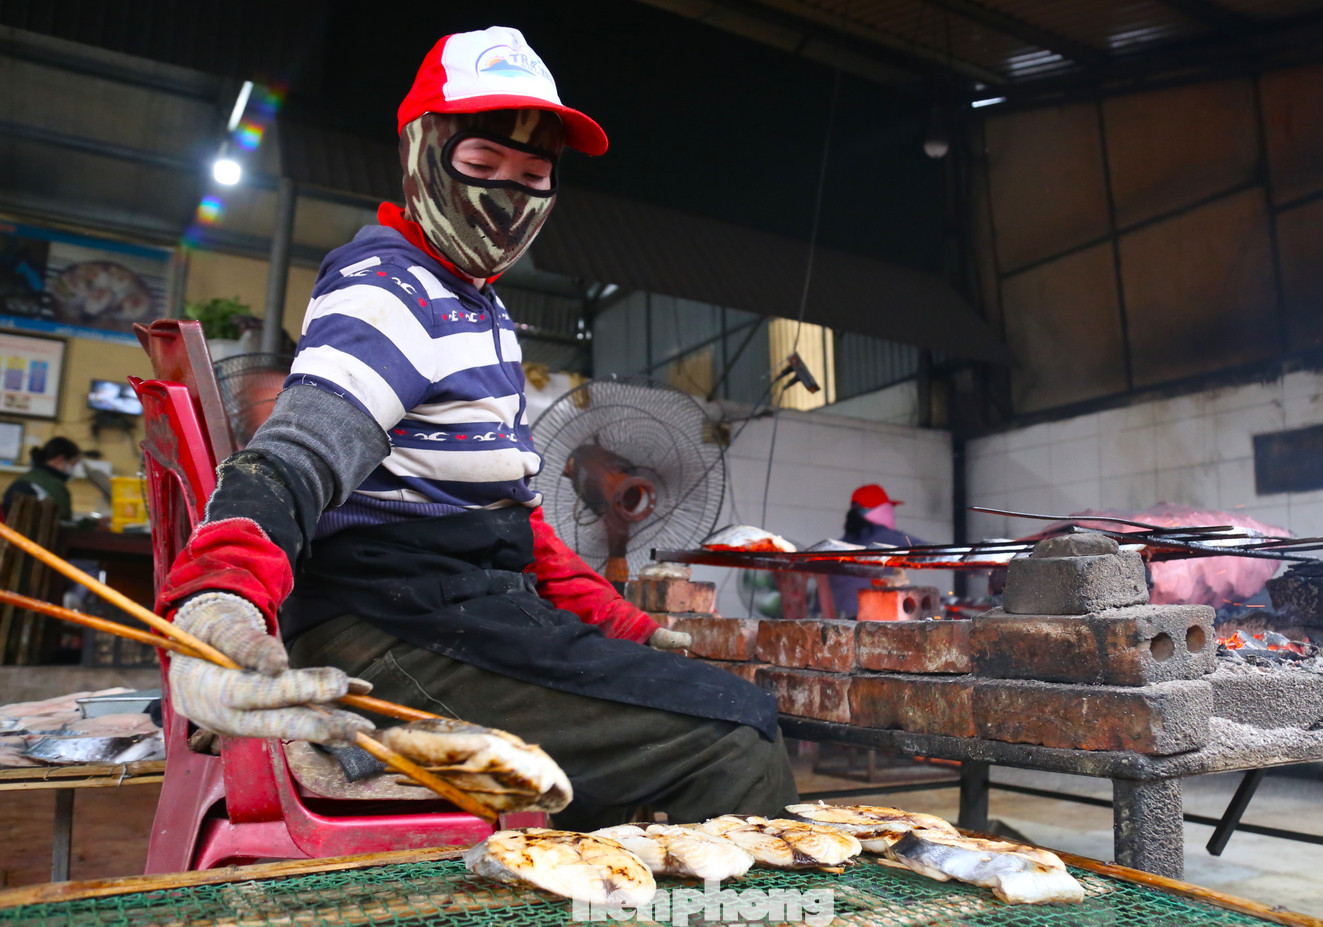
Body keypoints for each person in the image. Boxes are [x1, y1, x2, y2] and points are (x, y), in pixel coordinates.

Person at [156, 26, 797, 830]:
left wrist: (625, 625)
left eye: (533, 176)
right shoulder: (390, 287)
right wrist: (217, 610)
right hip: (390, 627)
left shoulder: (477, 305)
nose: (508, 196)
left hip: (465, 612)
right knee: (734, 739)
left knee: (684, 707)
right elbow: (295, 458)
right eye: (482, 167)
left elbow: (511, 519)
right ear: (423, 152)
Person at [827, 483, 932, 617]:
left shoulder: (840, 544)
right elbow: (934, 552)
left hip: (834, 620)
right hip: (866, 620)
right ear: (883, 511)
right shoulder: (889, 538)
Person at [1, 436, 84, 522]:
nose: (73, 469)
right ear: (59, 459)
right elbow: (63, 521)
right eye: (73, 464)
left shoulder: (24, 478)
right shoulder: (54, 486)